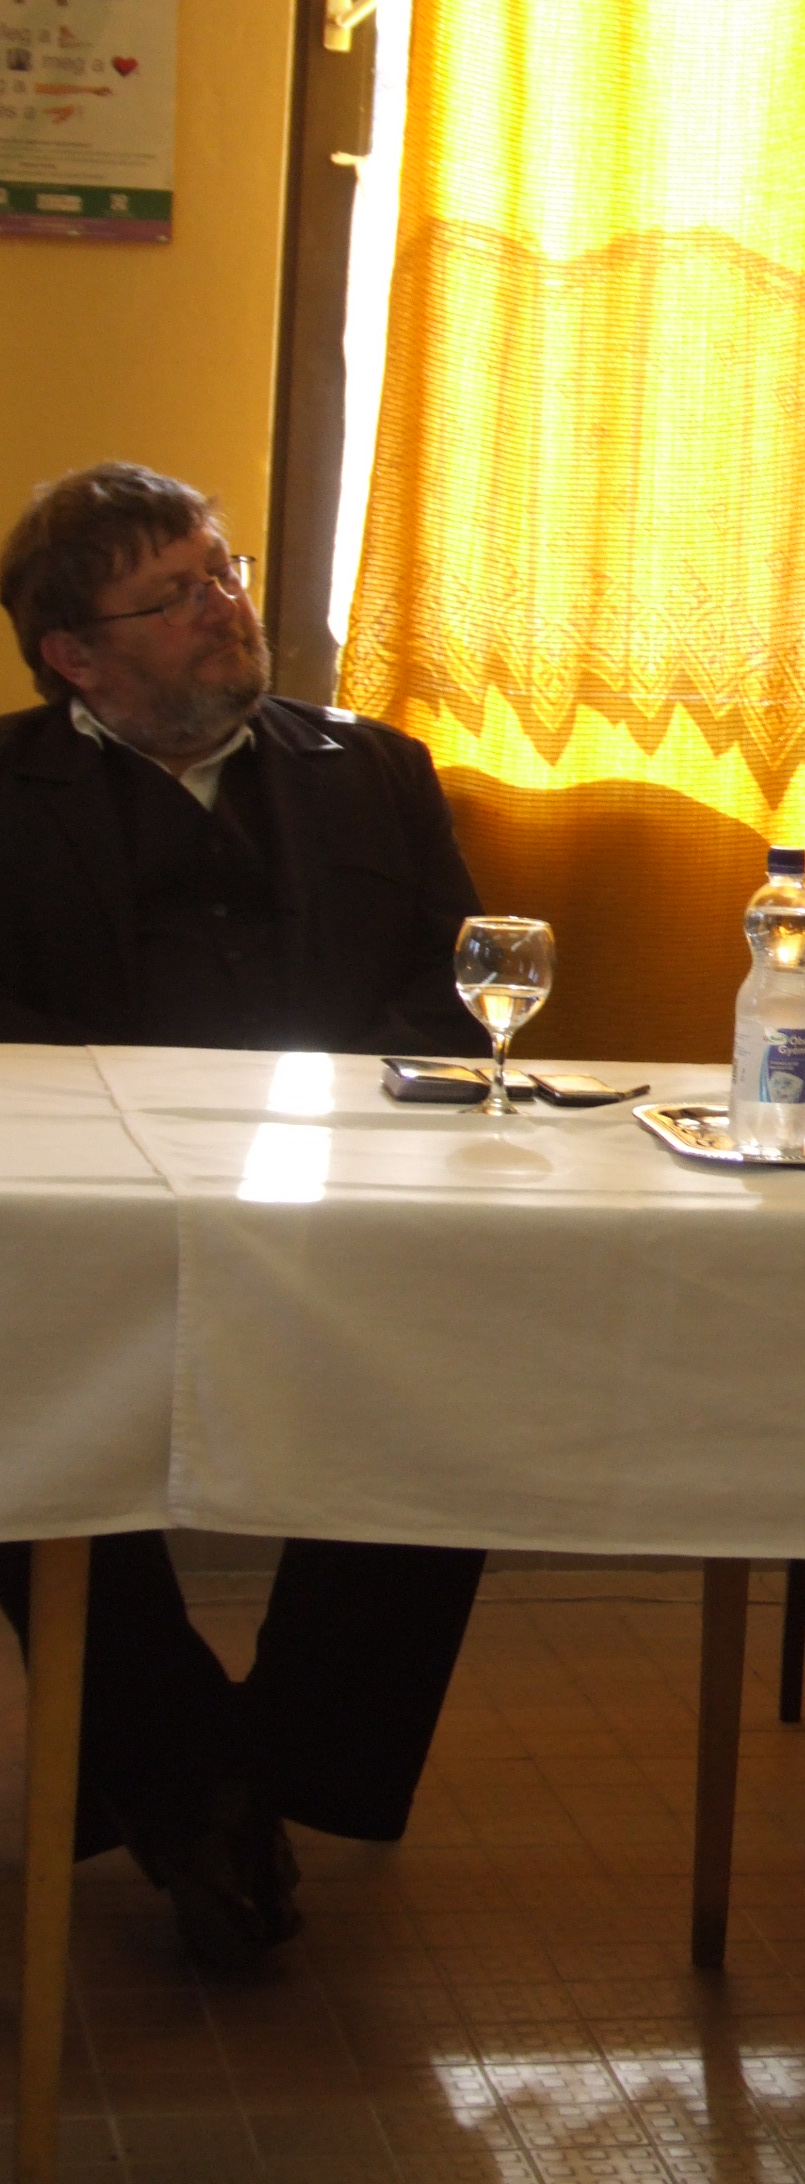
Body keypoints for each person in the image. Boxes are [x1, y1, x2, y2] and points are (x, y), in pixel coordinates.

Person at [0, 461, 490, 1969]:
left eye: (224, 570)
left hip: (339, 1218)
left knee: (468, 1401)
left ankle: (248, 1778)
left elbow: (452, 997)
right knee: (13, 1439)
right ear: (73, 656)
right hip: (81, 1228)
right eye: (175, 595)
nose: (225, 605)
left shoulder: (375, 768)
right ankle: (196, 1781)